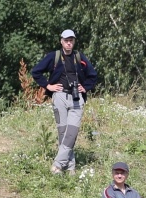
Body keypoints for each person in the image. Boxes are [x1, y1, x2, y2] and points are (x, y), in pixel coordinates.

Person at [31, 29, 98, 175]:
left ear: (74, 42)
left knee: (72, 132)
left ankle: (57, 165)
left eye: (71, 40)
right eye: (66, 40)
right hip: (60, 97)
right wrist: (48, 86)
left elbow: (93, 75)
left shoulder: (79, 57)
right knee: (63, 132)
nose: (69, 43)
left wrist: (84, 88)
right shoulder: (53, 56)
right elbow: (36, 72)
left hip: (76, 99)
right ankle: (70, 167)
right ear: (61, 41)